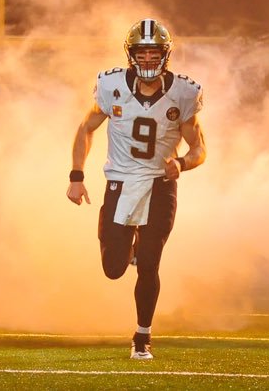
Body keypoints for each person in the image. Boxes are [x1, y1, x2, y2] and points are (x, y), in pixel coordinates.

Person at [67, 18, 207, 360]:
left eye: (153, 53)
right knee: (113, 268)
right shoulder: (111, 85)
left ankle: (142, 336)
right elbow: (86, 128)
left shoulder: (184, 93)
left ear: (165, 55)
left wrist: (182, 163)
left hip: (161, 185)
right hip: (121, 181)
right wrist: (76, 175)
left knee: (149, 264)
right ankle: (125, 245)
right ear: (131, 55)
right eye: (141, 53)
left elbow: (199, 148)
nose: (147, 59)